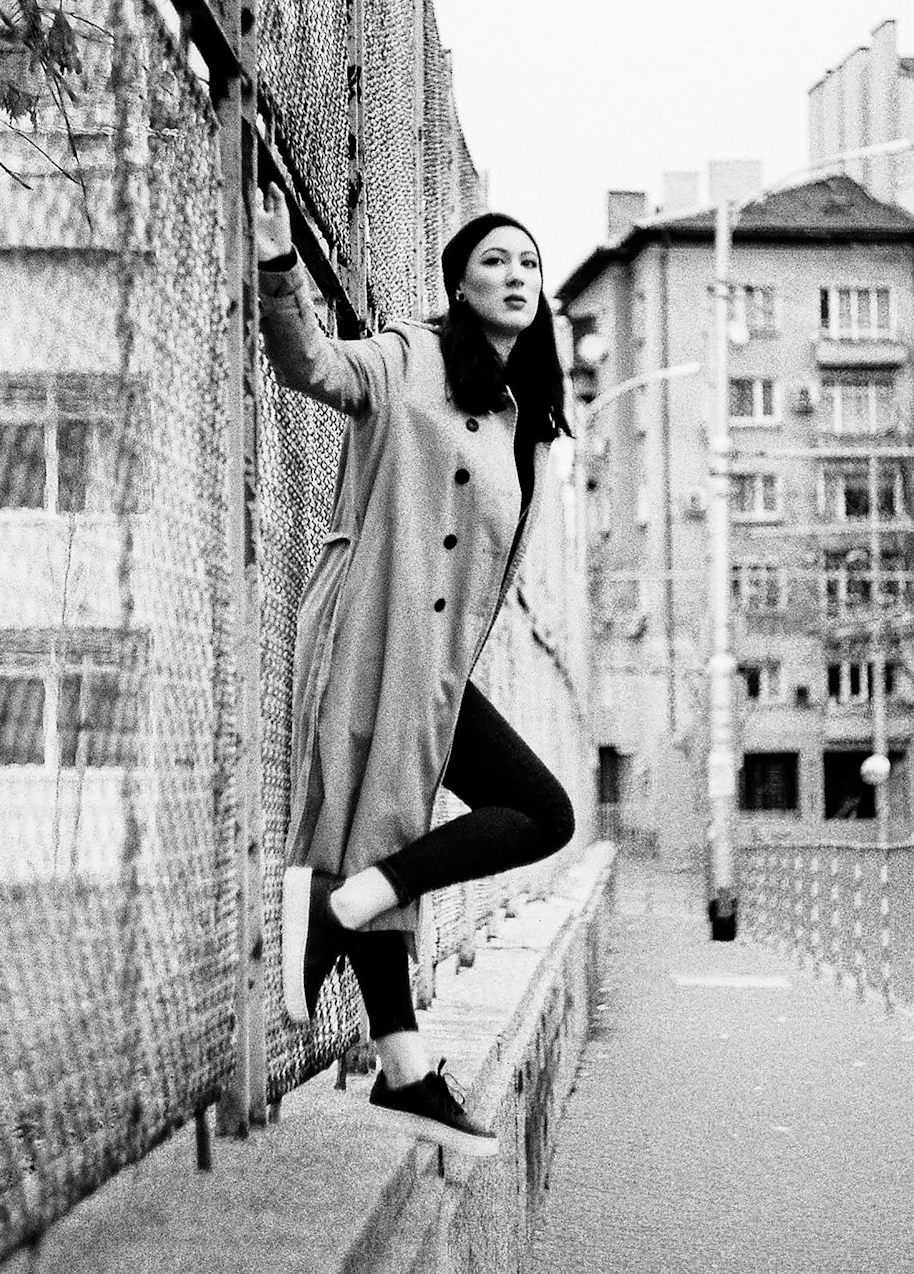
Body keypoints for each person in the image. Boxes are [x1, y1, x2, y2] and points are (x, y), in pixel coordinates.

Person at [256, 184, 576, 1158]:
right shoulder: (411, 356)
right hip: (374, 635)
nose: (515, 275)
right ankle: (397, 1043)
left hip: (438, 665)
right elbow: (312, 364)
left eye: (528, 262)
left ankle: (389, 1032)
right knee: (506, 815)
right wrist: (279, 275)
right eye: (494, 262)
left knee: (513, 817)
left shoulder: (529, 416)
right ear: (458, 284)